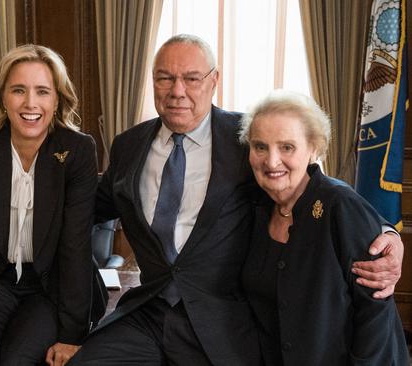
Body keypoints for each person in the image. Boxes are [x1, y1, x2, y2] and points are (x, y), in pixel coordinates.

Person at [69, 34, 404, 366]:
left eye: (191, 78)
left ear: (214, 80)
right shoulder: (129, 145)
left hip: (221, 321)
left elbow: (312, 189)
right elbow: (87, 209)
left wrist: (387, 233)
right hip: (147, 311)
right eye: (165, 78)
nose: (177, 91)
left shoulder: (245, 138)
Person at [0, 44, 98, 366]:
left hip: (49, 287)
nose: (31, 103)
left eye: (42, 91)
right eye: (19, 90)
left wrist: (72, 335)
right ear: (3, 97)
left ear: (57, 99)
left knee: (19, 359)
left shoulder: (77, 151)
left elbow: (76, 246)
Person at [238, 90, 409, 365]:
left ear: (313, 149)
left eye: (287, 147)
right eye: (260, 146)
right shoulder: (253, 207)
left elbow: (375, 311)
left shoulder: (340, 205)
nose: (271, 161)